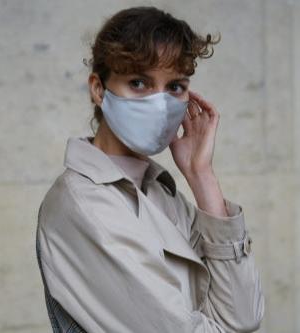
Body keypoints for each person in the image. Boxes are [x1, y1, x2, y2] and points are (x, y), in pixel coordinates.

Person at [36, 6, 265, 333]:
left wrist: (202, 177)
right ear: (99, 89)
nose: (160, 104)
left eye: (175, 86)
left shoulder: (158, 189)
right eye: (139, 82)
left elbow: (245, 317)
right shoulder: (83, 203)